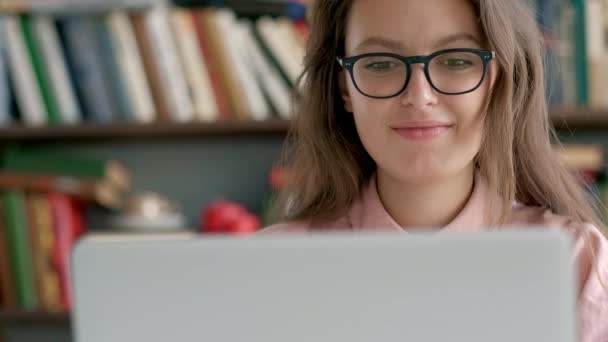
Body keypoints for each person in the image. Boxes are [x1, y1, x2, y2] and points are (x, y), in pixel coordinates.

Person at [260, 0, 608, 340]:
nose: (419, 95)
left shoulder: (579, 261)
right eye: (380, 64)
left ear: (499, 81)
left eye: (456, 61)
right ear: (344, 88)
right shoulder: (269, 269)